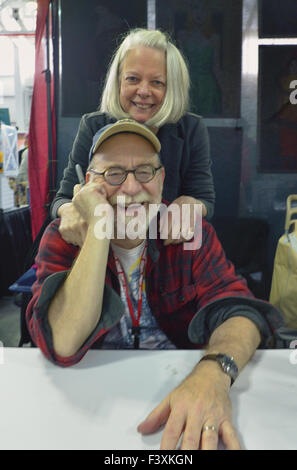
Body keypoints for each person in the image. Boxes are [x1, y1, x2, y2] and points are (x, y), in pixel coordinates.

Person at [27, 119, 283, 450]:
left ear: (161, 179)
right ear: (88, 184)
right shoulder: (64, 236)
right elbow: (62, 343)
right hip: (88, 410)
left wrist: (214, 370)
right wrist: (99, 228)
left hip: (179, 399)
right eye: (114, 174)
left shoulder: (190, 233)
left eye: (145, 172)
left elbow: (240, 311)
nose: (132, 188)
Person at [51, 28, 215, 248]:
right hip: (104, 249)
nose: (143, 91)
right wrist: (68, 210)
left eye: (157, 82)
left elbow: (205, 199)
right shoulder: (92, 125)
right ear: (118, 82)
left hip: (164, 251)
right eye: (133, 79)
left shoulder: (191, 129)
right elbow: (61, 199)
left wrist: (192, 203)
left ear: (172, 88)